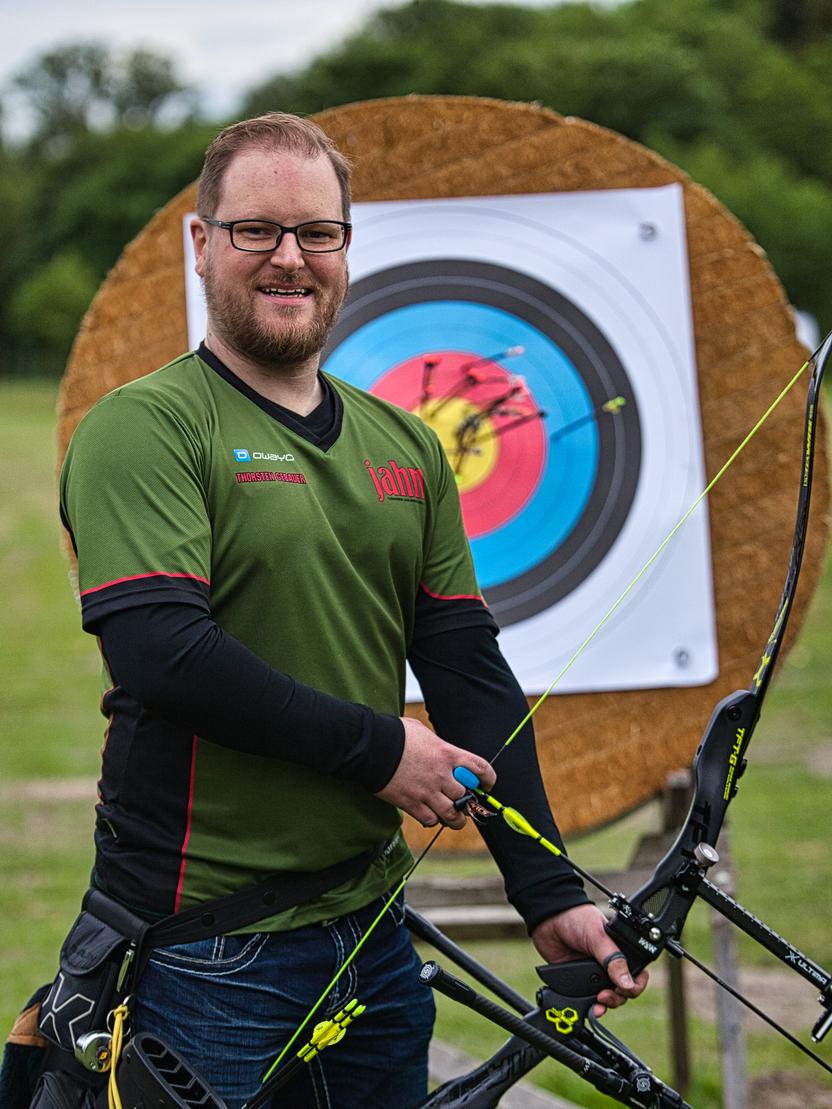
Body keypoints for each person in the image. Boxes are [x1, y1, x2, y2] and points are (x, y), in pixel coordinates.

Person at [58, 112, 646, 1108]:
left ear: (344, 247)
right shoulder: (147, 426)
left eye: (316, 232)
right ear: (201, 246)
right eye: (255, 230)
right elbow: (164, 652)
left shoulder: (407, 447)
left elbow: (466, 671)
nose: (290, 257)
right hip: (205, 947)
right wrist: (385, 753)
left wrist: (546, 891)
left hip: (370, 934)